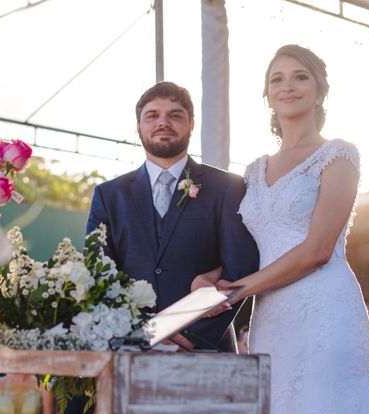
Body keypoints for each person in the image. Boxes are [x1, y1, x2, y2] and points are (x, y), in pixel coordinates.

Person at [201, 44, 369, 414]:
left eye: (300, 76)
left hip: (325, 311)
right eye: (277, 78)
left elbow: (317, 249)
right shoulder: (254, 169)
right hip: (273, 318)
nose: (288, 86)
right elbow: (246, 247)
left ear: (319, 90)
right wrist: (213, 276)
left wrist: (242, 289)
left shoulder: (338, 155)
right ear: (266, 94)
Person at [86, 81, 259, 351]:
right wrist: (140, 335)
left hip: (205, 348)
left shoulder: (229, 187)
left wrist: (193, 335)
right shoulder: (108, 196)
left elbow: (240, 266)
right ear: (138, 126)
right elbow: (98, 275)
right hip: (129, 348)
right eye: (152, 115)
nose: (163, 122)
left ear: (191, 124)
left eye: (175, 115)